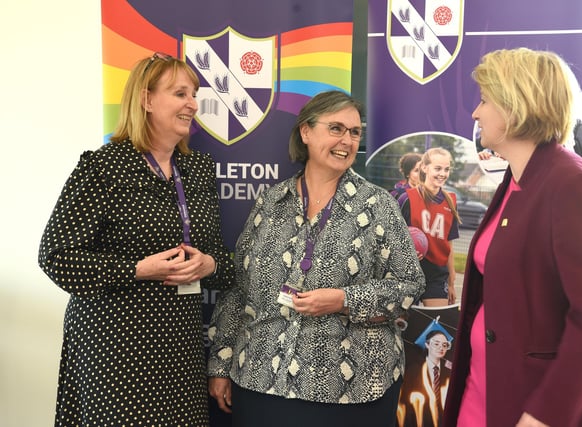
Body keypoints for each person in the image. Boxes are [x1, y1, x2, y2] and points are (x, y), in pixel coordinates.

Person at [443, 48, 582, 427]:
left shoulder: (574, 185)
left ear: (515, 107)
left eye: (485, 101)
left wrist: (546, 414)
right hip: (483, 392)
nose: (475, 113)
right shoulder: (516, 180)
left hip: (532, 406)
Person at [207, 90, 425, 427]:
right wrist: (221, 366)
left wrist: (344, 300)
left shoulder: (377, 205)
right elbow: (239, 289)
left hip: (351, 393)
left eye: (355, 132)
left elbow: (410, 286)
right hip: (261, 381)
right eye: (336, 128)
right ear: (306, 132)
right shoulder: (271, 201)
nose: (347, 141)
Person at [38, 52, 234, 426]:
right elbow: (56, 256)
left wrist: (210, 264)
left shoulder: (198, 169)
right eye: (180, 94)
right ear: (146, 99)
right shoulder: (104, 166)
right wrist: (136, 269)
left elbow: (222, 262)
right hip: (115, 347)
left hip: (179, 346)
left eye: (194, 94)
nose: (193, 104)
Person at [401, 148, 460, 307]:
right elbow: (393, 237)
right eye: (438, 168)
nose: (443, 174)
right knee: (405, 327)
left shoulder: (451, 201)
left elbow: (449, 244)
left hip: (436, 275)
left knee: (436, 327)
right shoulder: (407, 198)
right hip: (408, 272)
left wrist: (451, 283)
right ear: (425, 168)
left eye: (446, 169)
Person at [398, 320, 453, 427]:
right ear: (427, 344)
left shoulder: (450, 371)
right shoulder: (413, 371)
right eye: (436, 343)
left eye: (444, 345)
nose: (441, 348)